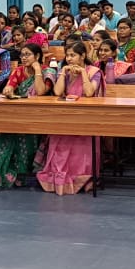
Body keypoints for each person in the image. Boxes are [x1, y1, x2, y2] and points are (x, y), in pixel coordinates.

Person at [37, 42, 102, 195]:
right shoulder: (65, 71)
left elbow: (89, 93)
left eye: (73, 55)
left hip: (86, 118)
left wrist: (83, 73)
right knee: (58, 139)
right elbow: (58, 92)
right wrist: (62, 72)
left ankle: (81, 178)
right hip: (66, 116)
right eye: (67, 55)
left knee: (81, 147)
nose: (69, 59)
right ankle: (59, 177)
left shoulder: (94, 72)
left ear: (83, 56)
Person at [0, 43, 55, 189]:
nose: (23, 58)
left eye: (27, 55)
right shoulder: (19, 71)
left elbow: (40, 92)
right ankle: (10, 170)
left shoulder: (48, 71)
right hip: (21, 114)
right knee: (0, 131)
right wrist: (8, 89)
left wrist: (37, 70)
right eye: (22, 55)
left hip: (41, 115)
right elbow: (10, 86)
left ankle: (26, 171)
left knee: (26, 133)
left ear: (37, 56)